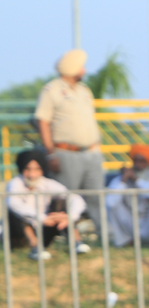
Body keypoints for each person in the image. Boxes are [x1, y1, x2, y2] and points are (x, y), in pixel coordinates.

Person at [35, 49, 105, 224]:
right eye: (81, 67)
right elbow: (43, 122)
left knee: (96, 196)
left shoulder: (83, 90)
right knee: (66, 196)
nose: (84, 70)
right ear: (72, 68)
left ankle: (102, 232)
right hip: (66, 153)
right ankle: (63, 231)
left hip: (91, 152)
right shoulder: (51, 90)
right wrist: (50, 153)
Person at [6, 149, 88, 260]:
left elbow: (75, 198)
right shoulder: (15, 183)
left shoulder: (47, 183)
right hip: (18, 234)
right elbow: (13, 204)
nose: (32, 175)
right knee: (20, 213)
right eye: (27, 169)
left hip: (44, 229)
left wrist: (69, 217)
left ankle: (77, 242)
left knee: (61, 205)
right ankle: (35, 248)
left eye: (37, 169)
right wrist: (41, 218)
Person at [106, 144, 149, 248]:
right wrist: (123, 180)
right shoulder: (122, 178)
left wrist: (136, 180)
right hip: (129, 220)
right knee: (113, 204)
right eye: (136, 160)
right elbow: (110, 203)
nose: (138, 164)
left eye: (142, 161)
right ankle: (126, 241)